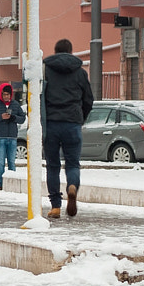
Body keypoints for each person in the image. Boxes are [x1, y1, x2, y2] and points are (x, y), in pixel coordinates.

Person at [42, 37, 96, 219]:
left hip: (51, 124)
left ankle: (55, 206)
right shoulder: (80, 73)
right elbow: (88, 99)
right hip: (72, 123)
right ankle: (72, 186)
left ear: (55, 51)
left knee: (52, 166)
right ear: (71, 52)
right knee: (72, 163)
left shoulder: (46, 70)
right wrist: (81, 117)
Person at [0, 83, 27, 187]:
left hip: (13, 137)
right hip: (0, 137)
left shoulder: (15, 104)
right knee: (1, 162)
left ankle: (11, 184)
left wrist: (13, 118)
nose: (6, 97)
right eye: (4, 94)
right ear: (1, 94)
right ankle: (1, 184)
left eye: (8, 94)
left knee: (12, 162)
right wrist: (1, 117)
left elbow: (22, 118)